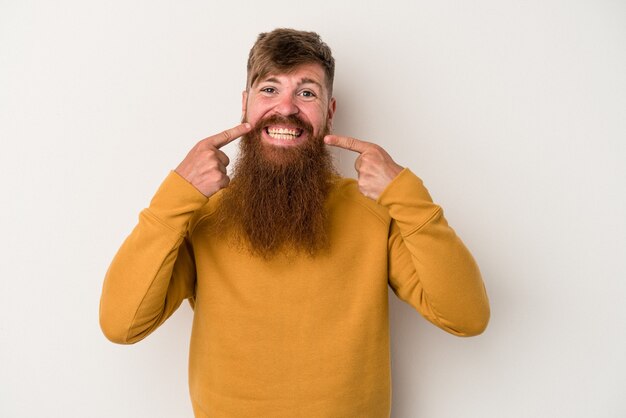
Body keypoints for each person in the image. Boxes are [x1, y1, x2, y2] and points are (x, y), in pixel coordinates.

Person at [99, 28, 490, 418]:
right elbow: (122, 325)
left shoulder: (376, 211)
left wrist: (407, 195)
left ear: (329, 113)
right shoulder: (201, 212)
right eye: (269, 89)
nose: (286, 108)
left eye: (306, 93)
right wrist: (176, 195)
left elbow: (465, 317)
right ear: (245, 105)